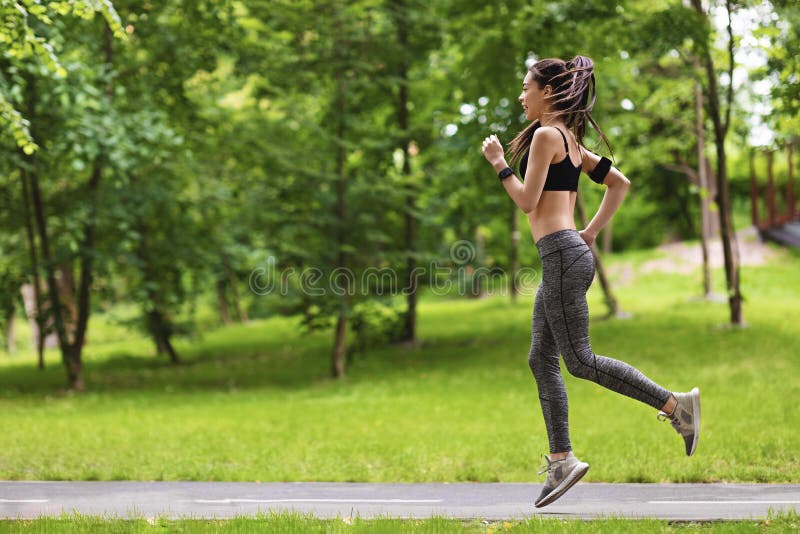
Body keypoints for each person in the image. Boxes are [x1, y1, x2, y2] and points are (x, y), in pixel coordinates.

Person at [480, 55, 701, 508]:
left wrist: (500, 162)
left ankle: (676, 406)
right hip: (565, 254)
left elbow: (526, 200)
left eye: (527, 87)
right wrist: (592, 233)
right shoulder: (573, 143)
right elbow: (619, 184)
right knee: (541, 359)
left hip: (562, 255)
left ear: (548, 91)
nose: (521, 95)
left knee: (578, 360)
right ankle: (561, 458)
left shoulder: (547, 136)